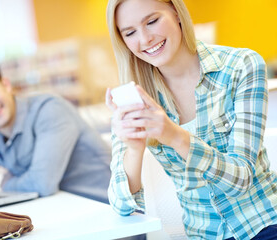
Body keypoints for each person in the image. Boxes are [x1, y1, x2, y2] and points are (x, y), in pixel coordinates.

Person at [105, 0, 277, 239]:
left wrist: (175, 136)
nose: (145, 40)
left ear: (176, 12)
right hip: (203, 234)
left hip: (263, 226)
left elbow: (241, 179)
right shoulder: (136, 97)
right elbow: (121, 206)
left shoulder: (241, 66)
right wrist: (133, 150)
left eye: (152, 21)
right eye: (130, 33)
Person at [0, 60, 111, 203]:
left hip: (111, 216)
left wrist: (7, 184)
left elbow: (42, 184)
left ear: (6, 85)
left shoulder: (49, 110)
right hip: (65, 212)